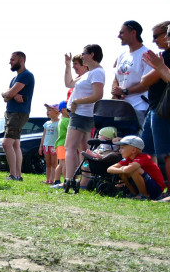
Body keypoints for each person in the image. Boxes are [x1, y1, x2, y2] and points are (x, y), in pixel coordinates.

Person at [63, 45, 105, 189]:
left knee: (69, 147)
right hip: (80, 113)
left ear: (91, 54)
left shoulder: (97, 72)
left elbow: (98, 95)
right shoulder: (89, 72)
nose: (81, 56)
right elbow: (68, 83)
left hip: (81, 114)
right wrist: (68, 65)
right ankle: (84, 181)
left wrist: (76, 102)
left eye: (83, 54)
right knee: (83, 149)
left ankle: (69, 180)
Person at [138, 24, 170, 199]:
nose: (154, 40)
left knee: (166, 152)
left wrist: (158, 66)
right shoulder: (164, 56)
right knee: (147, 149)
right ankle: (153, 188)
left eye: (157, 35)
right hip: (155, 107)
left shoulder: (167, 56)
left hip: (162, 109)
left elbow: (146, 80)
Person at [0, 51, 35, 181]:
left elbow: (8, 95)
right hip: (12, 113)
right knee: (15, 145)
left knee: (6, 143)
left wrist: (9, 94)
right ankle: (17, 175)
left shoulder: (26, 75)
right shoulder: (15, 78)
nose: (10, 62)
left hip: (18, 113)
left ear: (21, 60)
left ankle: (13, 175)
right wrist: (10, 94)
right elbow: (6, 96)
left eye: (12, 59)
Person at [110, 21, 151, 126]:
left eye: (122, 33)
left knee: (136, 141)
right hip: (122, 108)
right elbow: (116, 78)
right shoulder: (121, 55)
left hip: (139, 107)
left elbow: (148, 84)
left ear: (133, 32)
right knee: (121, 141)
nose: (119, 36)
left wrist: (125, 91)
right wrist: (115, 90)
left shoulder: (147, 54)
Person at [108, 135, 165, 200]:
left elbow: (128, 169)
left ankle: (144, 195)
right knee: (122, 173)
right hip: (147, 186)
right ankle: (134, 194)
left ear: (133, 150)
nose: (120, 150)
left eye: (122, 148)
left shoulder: (143, 157)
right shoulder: (128, 159)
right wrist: (123, 169)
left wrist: (123, 169)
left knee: (135, 170)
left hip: (156, 189)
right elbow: (109, 169)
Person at [39, 103, 61, 185]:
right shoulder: (46, 123)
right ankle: (47, 179)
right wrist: (41, 146)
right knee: (47, 163)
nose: (47, 112)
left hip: (54, 146)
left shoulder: (59, 123)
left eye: (49, 110)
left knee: (54, 163)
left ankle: (52, 179)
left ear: (56, 112)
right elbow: (44, 135)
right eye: (47, 110)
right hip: (46, 145)